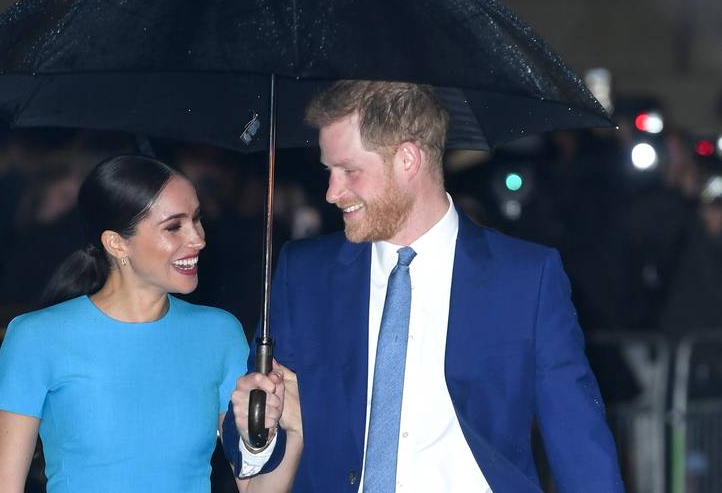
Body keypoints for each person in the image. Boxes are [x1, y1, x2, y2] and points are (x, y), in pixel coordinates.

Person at [222, 81, 625, 493]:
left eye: (349, 171)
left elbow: (579, 442)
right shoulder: (304, 275)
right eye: (329, 171)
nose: (331, 192)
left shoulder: (525, 277)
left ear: (408, 159)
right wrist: (260, 430)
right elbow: (252, 444)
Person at [0, 154, 300, 493]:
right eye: (174, 226)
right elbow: (3, 485)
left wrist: (295, 430)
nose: (198, 239)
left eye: (196, 219)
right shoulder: (37, 337)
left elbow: (252, 489)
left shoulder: (219, 333)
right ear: (117, 243)